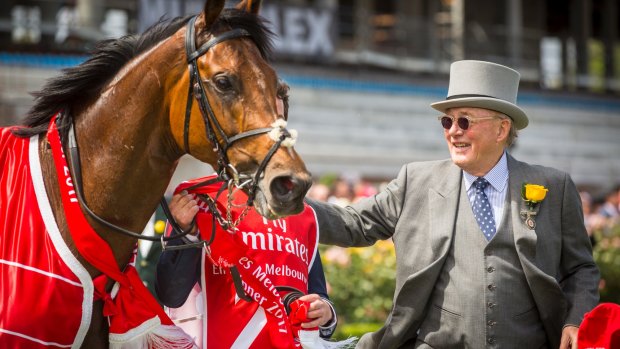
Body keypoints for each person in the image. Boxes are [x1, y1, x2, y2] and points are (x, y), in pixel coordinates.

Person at [305, 60, 600, 348]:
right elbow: (352, 224)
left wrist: (576, 320)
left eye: (465, 121)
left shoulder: (554, 187)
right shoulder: (415, 180)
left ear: (501, 129)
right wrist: (287, 198)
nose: (452, 131)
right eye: (447, 120)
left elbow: (582, 269)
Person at [155, 175, 341, 349]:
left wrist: (325, 313)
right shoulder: (201, 199)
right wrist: (187, 233)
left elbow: (319, 297)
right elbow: (171, 295)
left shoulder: (302, 213)